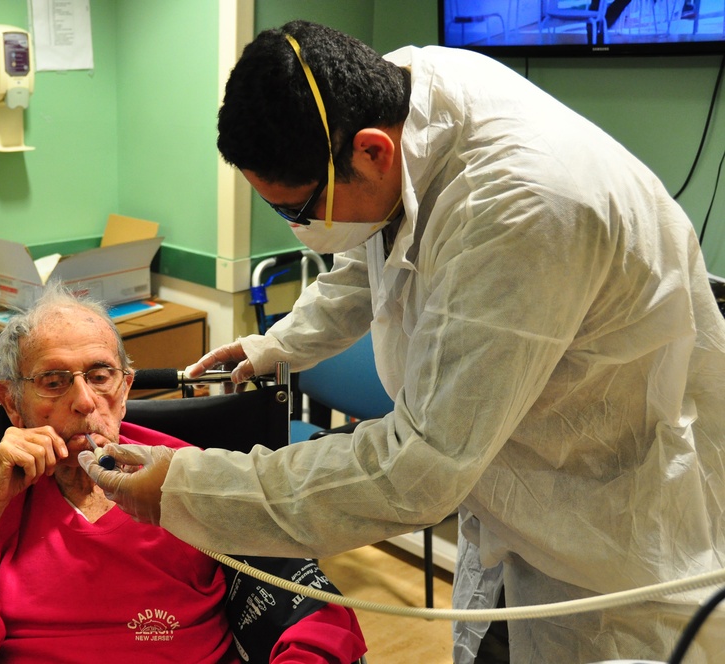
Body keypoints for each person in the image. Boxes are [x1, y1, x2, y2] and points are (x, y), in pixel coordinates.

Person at [80, 20, 725, 664]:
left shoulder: (522, 208)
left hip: (608, 540)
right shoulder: (398, 95)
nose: (299, 229)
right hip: (512, 494)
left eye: (296, 211)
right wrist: (274, 346)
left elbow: (415, 471)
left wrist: (190, 489)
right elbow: (374, 262)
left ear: (371, 153)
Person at [0, 283, 366, 663]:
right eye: (53, 382)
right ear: (11, 403)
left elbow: (314, 613)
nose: (83, 401)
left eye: (100, 376)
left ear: (125, 389)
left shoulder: (186, 471)